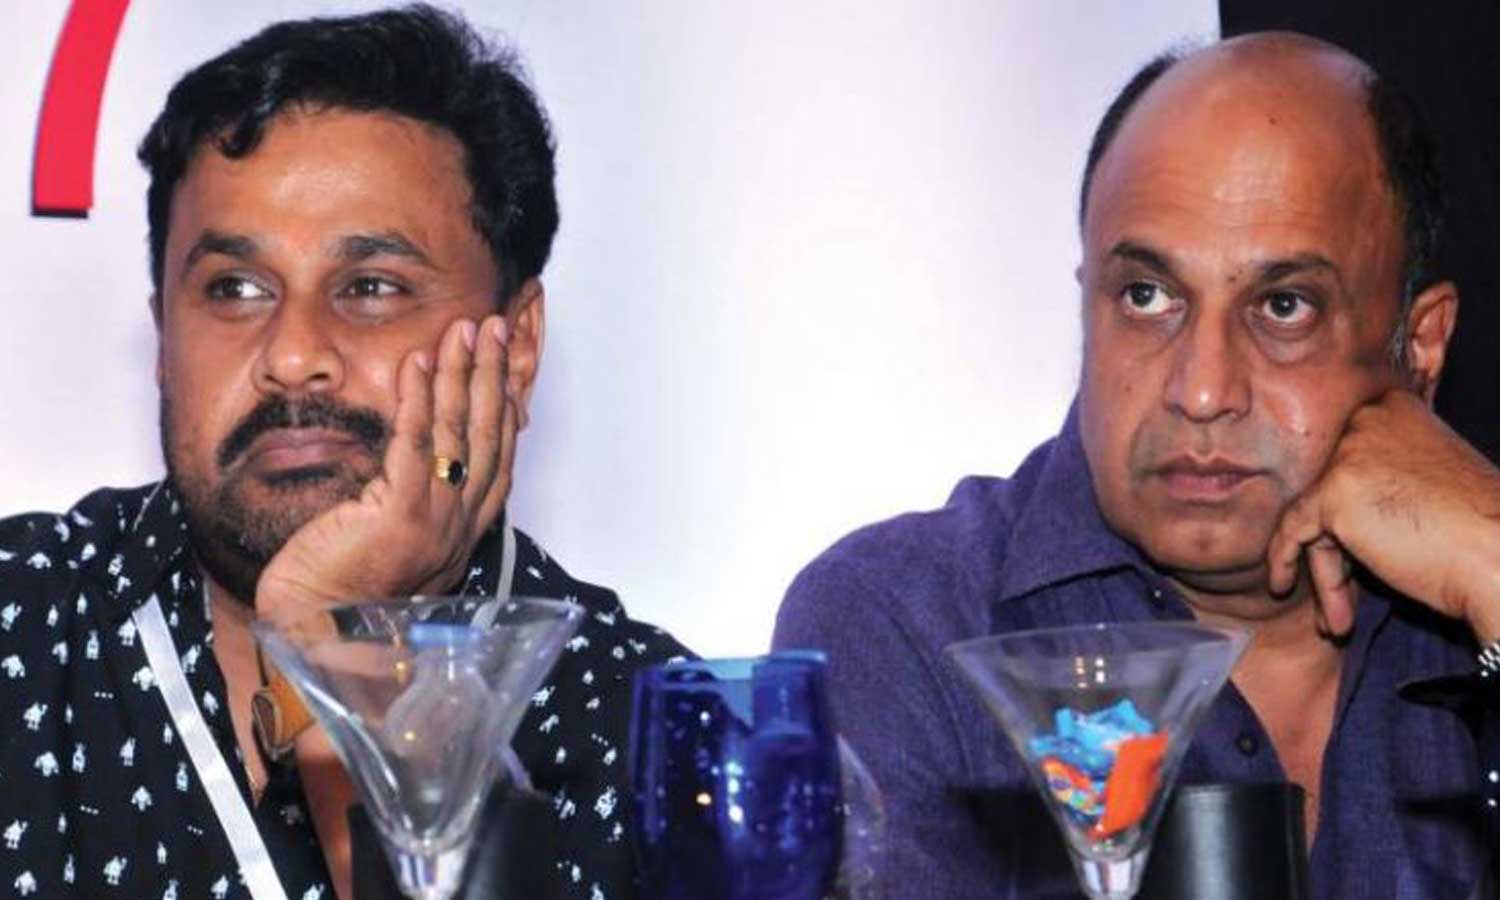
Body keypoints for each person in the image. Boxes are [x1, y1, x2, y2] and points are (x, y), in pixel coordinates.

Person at [775, 32, 1500, 899]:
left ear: (1420, 345)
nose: (1202, 391)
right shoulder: (909, 621)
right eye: (1147, 296)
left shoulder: (1473, 586)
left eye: (1283, 306)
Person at [0, 6, 688, 900]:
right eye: (233, 288)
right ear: (163, 337)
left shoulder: (646, 729)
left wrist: (330, 631)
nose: (292, 356)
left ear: (515, 347)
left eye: (370, 287)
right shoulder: (25, 620)